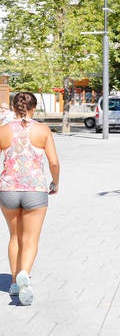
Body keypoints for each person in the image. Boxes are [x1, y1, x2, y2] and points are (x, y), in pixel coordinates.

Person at [0, 92, 60, 306]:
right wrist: (55, 182)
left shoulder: (3, 131)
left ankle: (15, 283)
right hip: (35, 189)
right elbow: (53, 162)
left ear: (14, 108)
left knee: (14, 237)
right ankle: (25, 273)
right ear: (33, 107)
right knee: (31, 239)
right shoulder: (42, 130)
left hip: (8, 191)